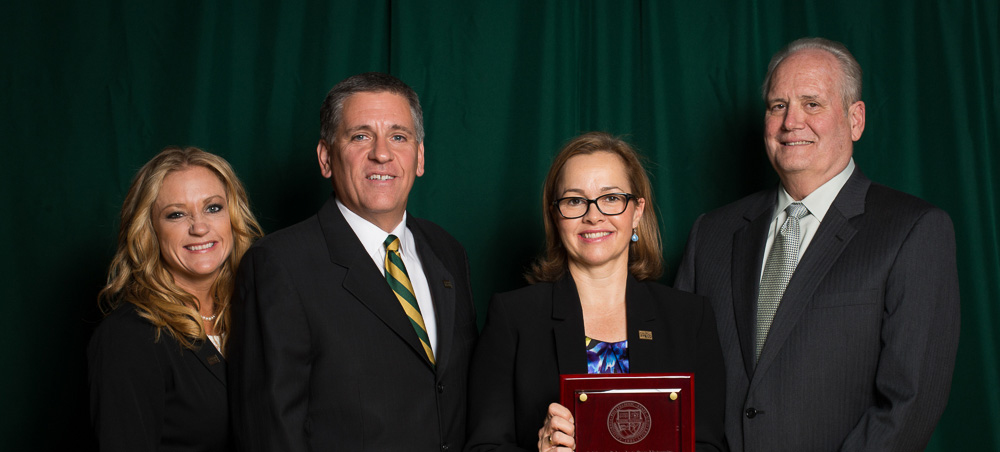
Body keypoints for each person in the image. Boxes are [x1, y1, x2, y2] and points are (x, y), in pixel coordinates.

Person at [674, 37, 960, 452]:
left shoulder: (914, 230)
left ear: (856, 119)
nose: (791, 122)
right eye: (778, 106)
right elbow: (681, 377)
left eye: (812, 104)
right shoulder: (711, 234)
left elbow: (909, 403)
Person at [227, 72, 477, 451]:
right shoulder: (279, 264)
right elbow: (271, 430)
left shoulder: (447, 251)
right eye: (360, 136)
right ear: (326, 158)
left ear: (420, 157)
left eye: (399, 136)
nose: (382, 153)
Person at [466, 132, 727, 452]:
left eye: (611, 198)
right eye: (574, 200)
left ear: (637, 212)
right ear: (555, 215)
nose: (593, 215)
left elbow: (710, 445)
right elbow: (483, 446)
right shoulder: (513, 317)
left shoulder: (690, 317)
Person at [88, 146, 263, 452]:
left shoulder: (258, 312)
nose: (199, 227)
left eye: (213, 208)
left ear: (234, 217)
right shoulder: (129, 337)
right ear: (150, 230)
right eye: (176, 214)